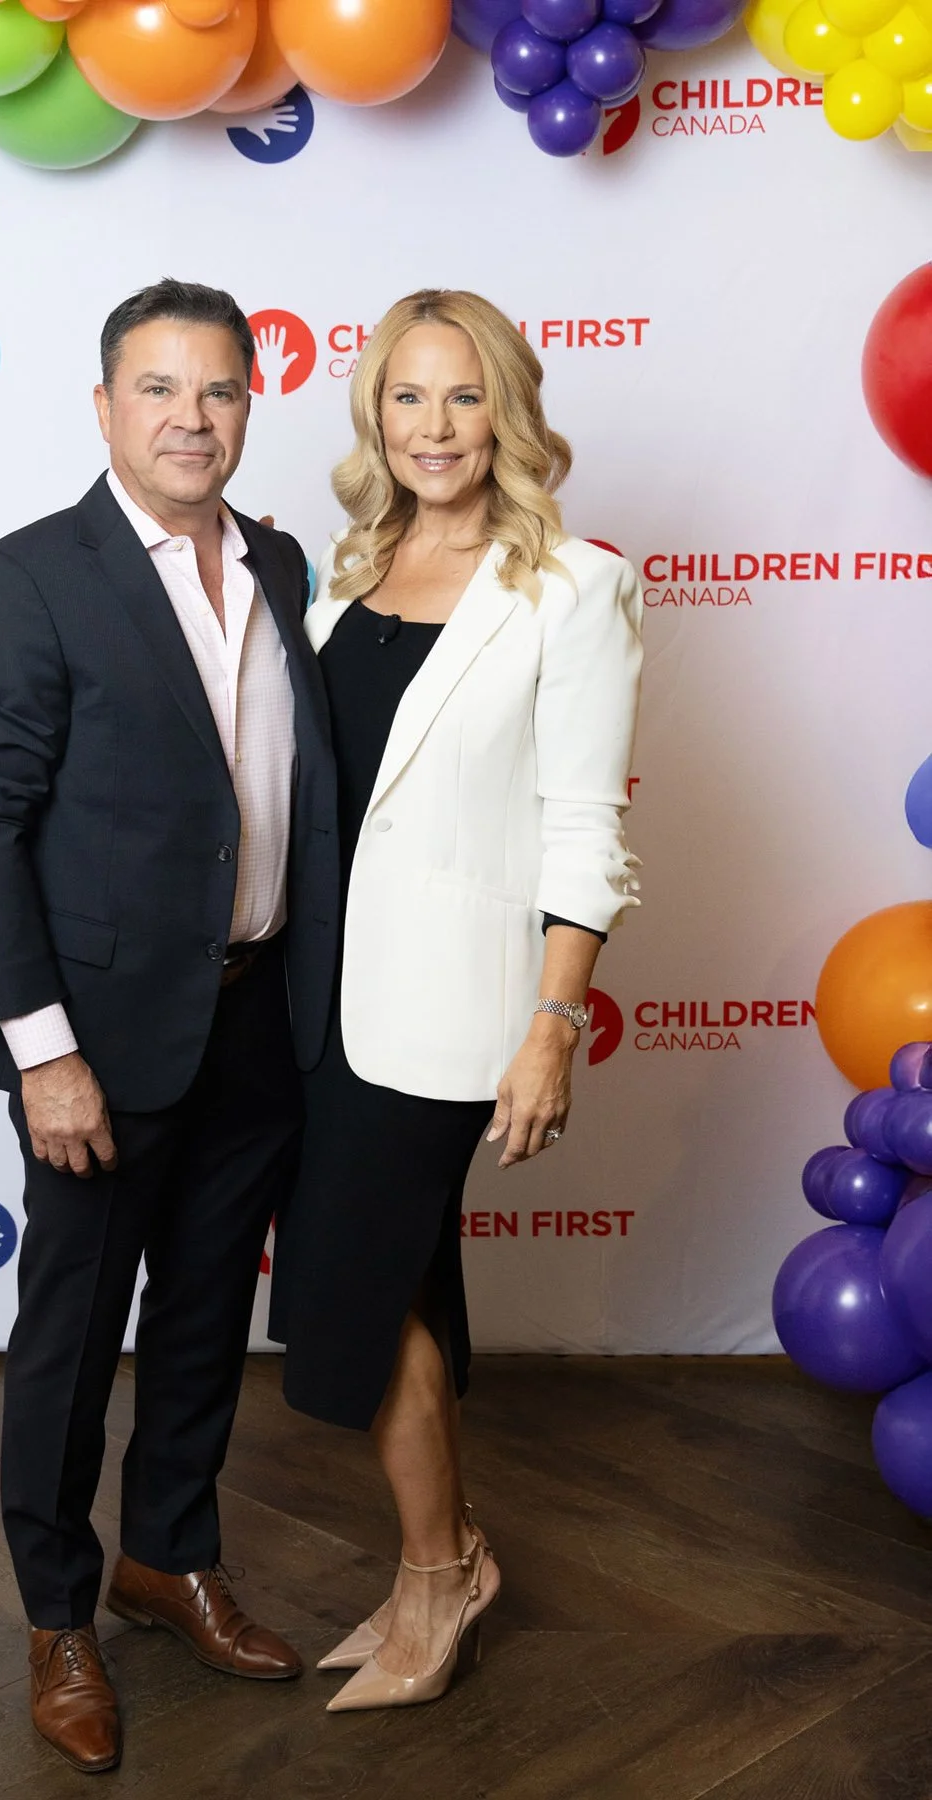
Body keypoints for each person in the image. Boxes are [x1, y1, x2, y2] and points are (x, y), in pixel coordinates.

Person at [0, 279, 337, 1774]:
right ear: (102, 406)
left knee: (199, 1322)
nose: (189, 416)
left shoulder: (285, 566)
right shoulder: (29, 579)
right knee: (70, 1335)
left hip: (253, 1018)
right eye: (157, 388)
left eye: (218, 390)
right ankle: (57, 1617)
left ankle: (167, 1560)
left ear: (250, 404)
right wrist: (43, 1051)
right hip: (96, 1043)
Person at [269, 288, 644, 1712]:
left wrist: (551, 1027)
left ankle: (439, 1578)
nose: (434, 427)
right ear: (374, 413)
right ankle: (444, 1561)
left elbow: (580, 829)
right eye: (408, 397)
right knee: (403, 1288)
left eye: (464, 396)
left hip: (446, 1013)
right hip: (307, 1004)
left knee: (358, 1298)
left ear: (510, 412)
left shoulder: (571, 586)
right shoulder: (347, 569)